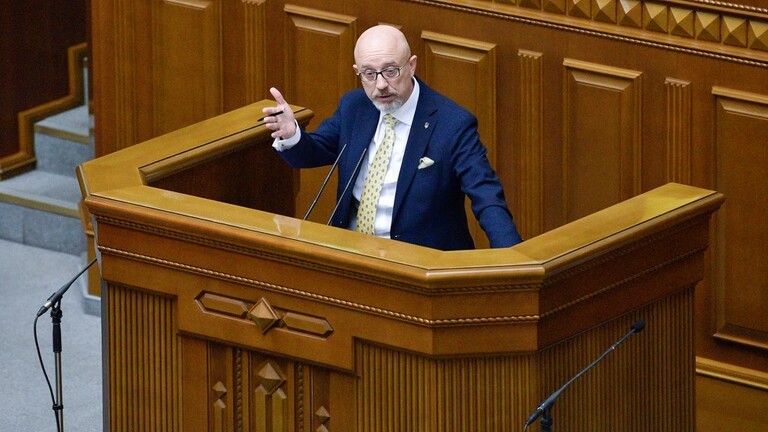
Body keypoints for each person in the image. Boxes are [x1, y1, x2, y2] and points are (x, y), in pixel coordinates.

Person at [262, 25, 522, 251]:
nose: (381, 84)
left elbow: (486, 196)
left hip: (421, 265)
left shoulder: (452, 124)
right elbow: (316, 150)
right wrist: (292, 134)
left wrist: (512, 260)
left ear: (411, 66)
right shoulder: (355, 106)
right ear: (357, 72)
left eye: (390, 71)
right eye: (369, 74)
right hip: (352, 253)